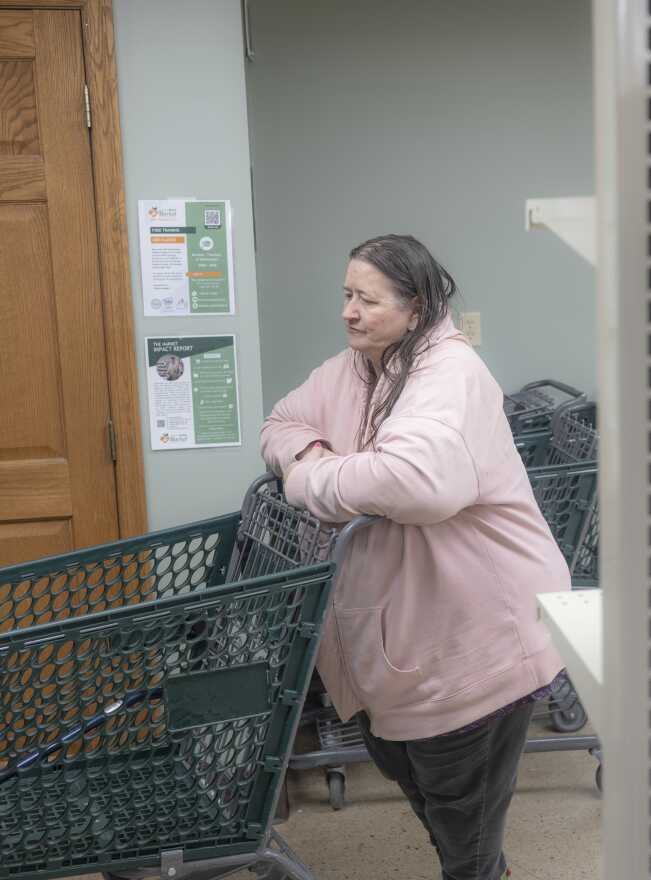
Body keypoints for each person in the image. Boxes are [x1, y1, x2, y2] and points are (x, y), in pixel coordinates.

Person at [260, 234, 569, 880]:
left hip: (474, 645)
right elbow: (282, 423)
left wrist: (308, 480)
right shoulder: (352, 368)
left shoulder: (450, 375)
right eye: (346, 295)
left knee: (461, 820)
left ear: (415, 306)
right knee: (426, 786)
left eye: (366, 300)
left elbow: (415, 480)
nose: (347, 312)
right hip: (399, 656)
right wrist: (315, 453)